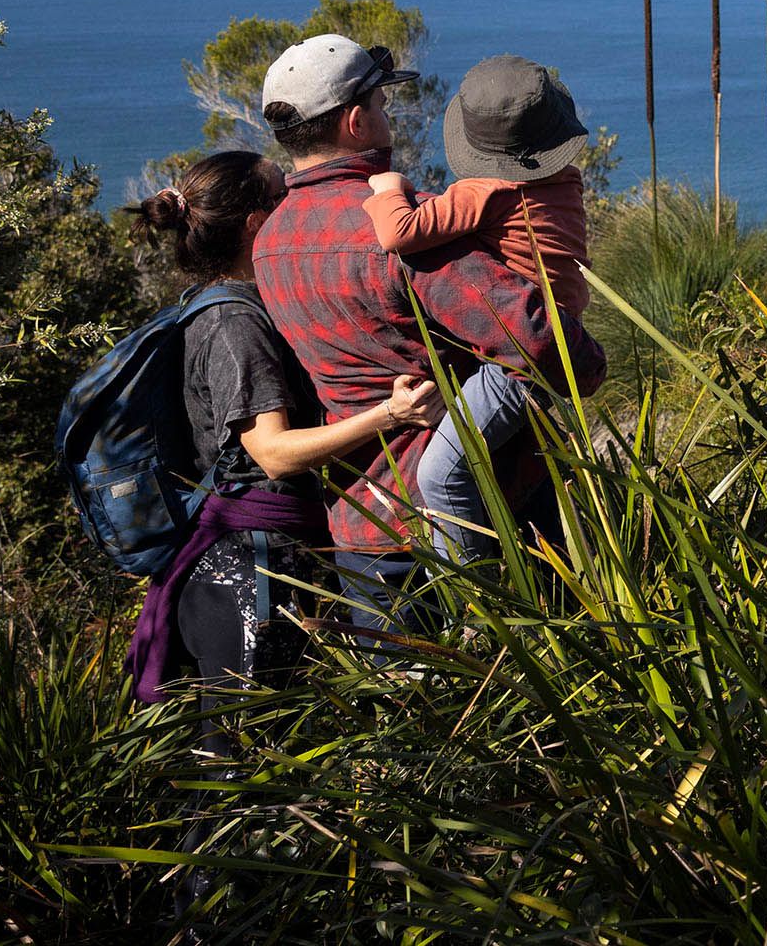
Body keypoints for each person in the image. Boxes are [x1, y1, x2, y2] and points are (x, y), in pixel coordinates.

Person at [250, 34, 604, 638]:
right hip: (487, 515)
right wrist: (590, 360)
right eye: (384, 106)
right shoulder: (410, 242)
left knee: (408, 714)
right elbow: (543, 345)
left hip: (363, 527)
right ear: (358, 121)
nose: (389, 117)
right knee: (535, 699)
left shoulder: (269, 243)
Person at [120, 150, 442, 729]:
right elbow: (270, 452)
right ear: (255, 223)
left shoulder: (240, 306)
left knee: (254, 771)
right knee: (241, 778)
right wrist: (390, 414)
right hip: (247, 574)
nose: (297, 201)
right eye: (282, 194)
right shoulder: (233, 324)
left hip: (255, 563)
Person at [362, 55, 593, 561]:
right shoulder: (564, 179)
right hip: (561, 334)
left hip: (518, 357)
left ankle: (480, 599)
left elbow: (398, 234)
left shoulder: (486, 189)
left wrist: (387, 189)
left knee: (440, 475)